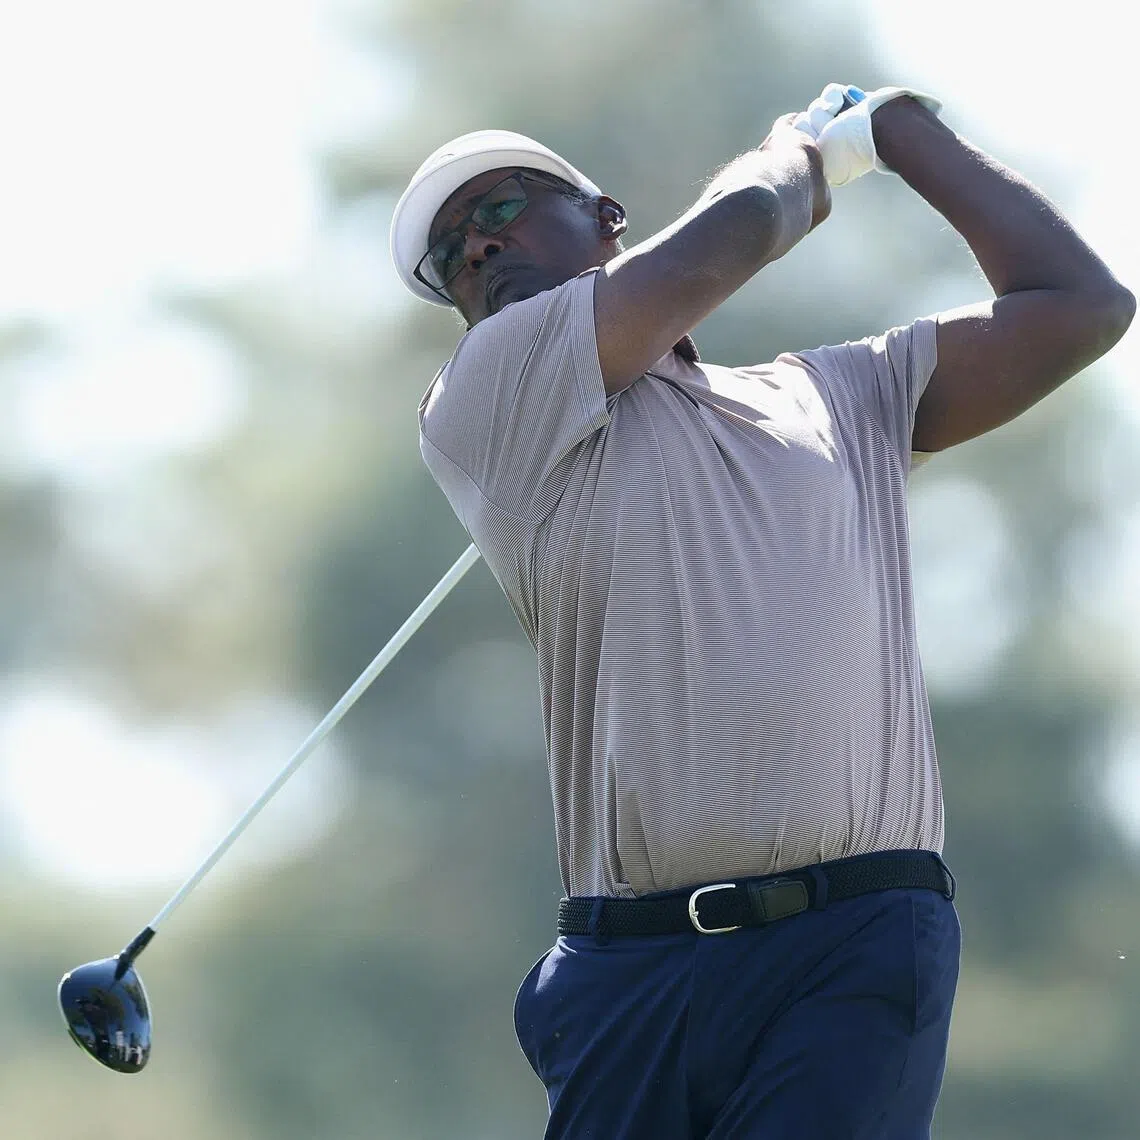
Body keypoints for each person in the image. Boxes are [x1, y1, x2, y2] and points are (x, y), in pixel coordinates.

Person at [388, 85, 1134, 1139]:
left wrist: (907, 134)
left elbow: (1081, 307)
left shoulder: (841, 396)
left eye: (501, 206)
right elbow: (733, 236)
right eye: (448, 255)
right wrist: (804, 155)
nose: (473, 249)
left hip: (855, 946)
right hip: (632, 972)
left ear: (606, 220)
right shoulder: (486, 393)